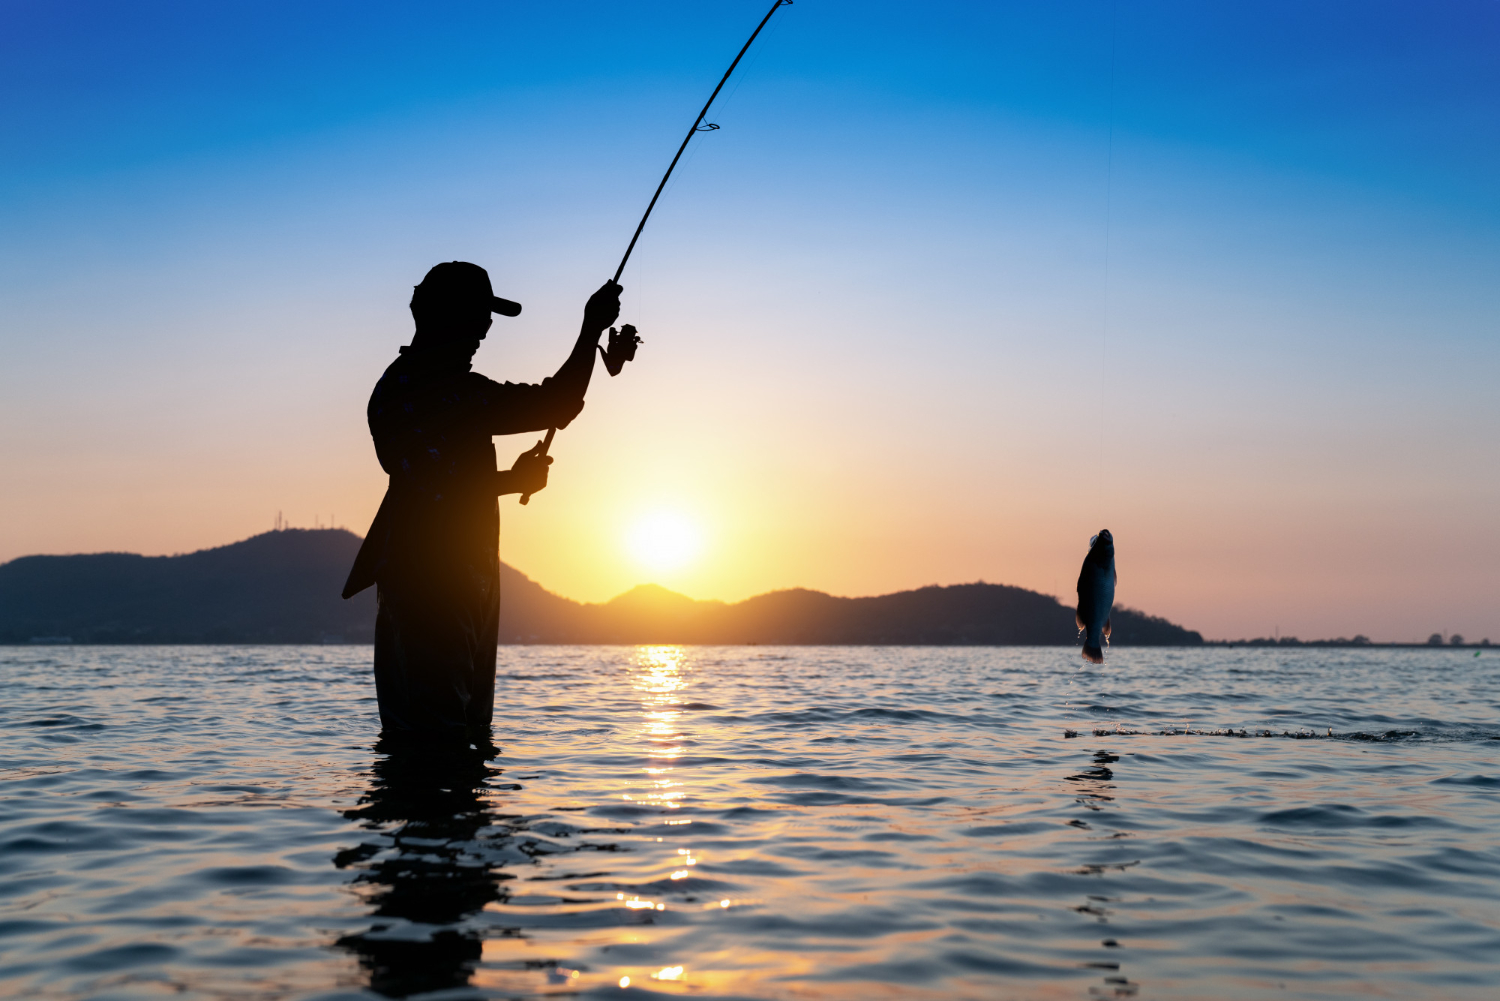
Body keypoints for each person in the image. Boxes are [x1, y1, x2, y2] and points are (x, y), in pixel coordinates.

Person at [342, 261, 621, 735]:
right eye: (477, 316)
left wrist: (512, 480)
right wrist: (591, 327)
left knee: (457, 732)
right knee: (439, 734)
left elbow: (436, 477)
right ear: (441, 318)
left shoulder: (421, 388)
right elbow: (555, 404)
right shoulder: (441, 391)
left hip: (461, 582)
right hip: (431, 585)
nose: (486, 330)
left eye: (487, 318)